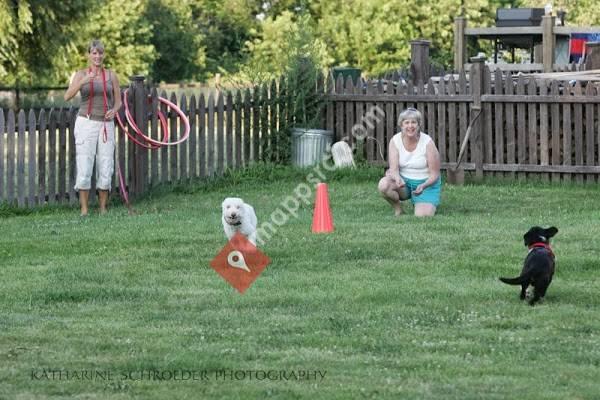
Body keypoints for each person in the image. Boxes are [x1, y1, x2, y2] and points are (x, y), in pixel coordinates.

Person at [64, 40, 121, 216]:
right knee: (84, 163)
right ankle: (84, 209)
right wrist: (83, 81)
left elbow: (118, 101)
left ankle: (103, 208)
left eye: (100, 53)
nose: (97, 56)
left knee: (106, 164)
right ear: (89, 55)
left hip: (106, 124)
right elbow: (67, 96)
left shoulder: (111, 75)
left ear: (104, 55)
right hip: (86, 123)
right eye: (94, 53)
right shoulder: (80, 74)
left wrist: (114, 110)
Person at [378, 107, 441, 217]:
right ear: (401, 125)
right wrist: (397, 178)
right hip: (405, 183)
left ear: (419, 125)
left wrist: (424, 185)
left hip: (425, 184)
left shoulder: (428, 142)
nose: (410, 126)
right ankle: (398, 209)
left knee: (423, 216)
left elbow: (435, 174)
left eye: (413, 122)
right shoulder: (395, 141)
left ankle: (422, 202)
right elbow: (393, 169)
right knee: (384, 185)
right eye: (406, 122)